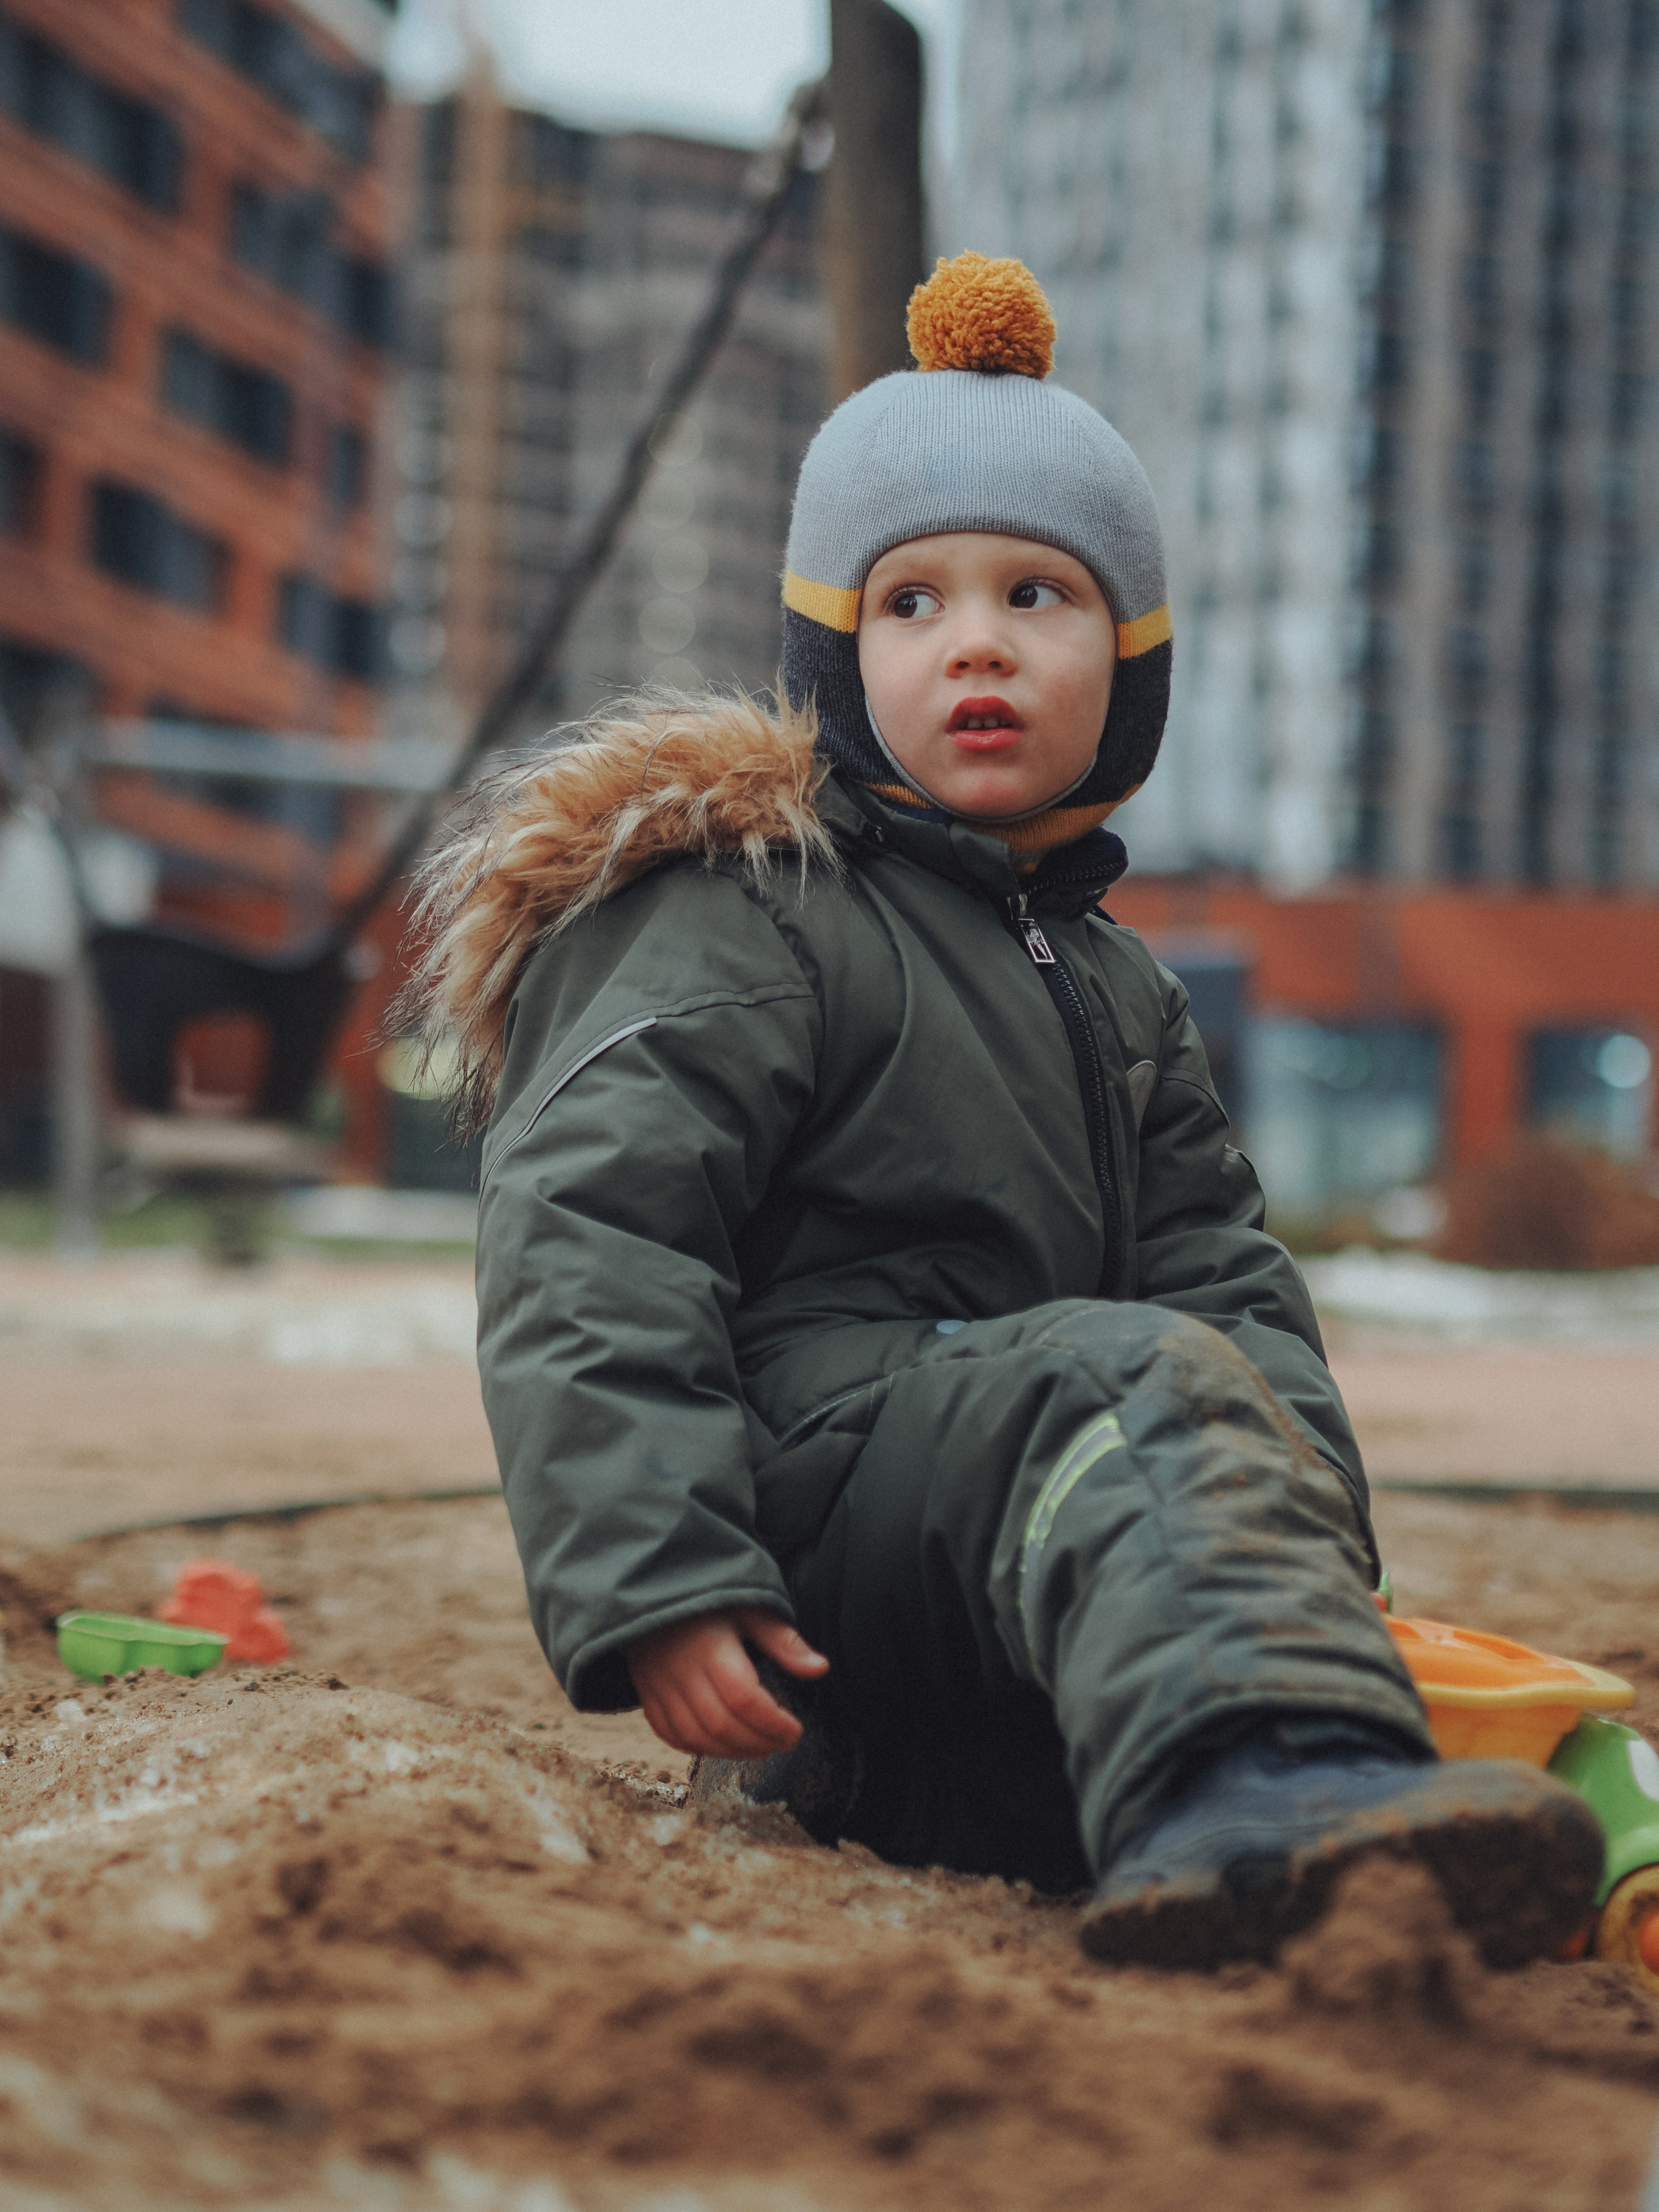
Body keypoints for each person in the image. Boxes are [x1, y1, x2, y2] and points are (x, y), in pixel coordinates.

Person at [407, 253, 1601, 1968]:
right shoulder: (749, 904)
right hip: (818, 1515)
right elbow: (594, 1239)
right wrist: (659, 1569)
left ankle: (1266, 1777)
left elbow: (1223, 1279)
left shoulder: (1116, 981)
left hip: (1022, 1564)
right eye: (913, 604)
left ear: (1127, 666)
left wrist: (1306, 1569)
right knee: (1118, 1375)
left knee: (1157, 1386)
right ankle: (1264, 1780)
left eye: (1038, 597)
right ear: (840, 655)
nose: (976, 640)